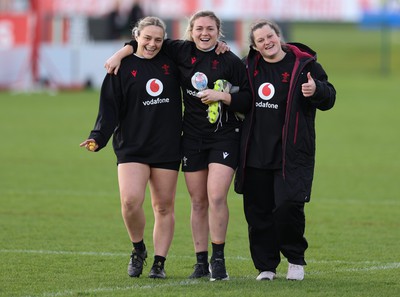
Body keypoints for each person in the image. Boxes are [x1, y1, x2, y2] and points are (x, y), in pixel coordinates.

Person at [105, 10, 252, 281]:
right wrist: (120, 54)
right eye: (199, 29)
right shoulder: (179, 51)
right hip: (192, 137)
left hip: (224, 135)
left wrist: (222, 96)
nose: (204, 34)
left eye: (210, 29)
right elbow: (144, 40)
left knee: (216, 196)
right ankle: (200, 263)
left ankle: (218, 260)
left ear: (218, 31)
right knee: (197, 201)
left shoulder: (229, 59)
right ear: (190, 31)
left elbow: (247, 100)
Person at [80, 16, 182, 279]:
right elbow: (109, 109)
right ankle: (138, 249)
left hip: (167, 145)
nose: (152, 44)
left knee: (163, 206)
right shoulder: (121, 67)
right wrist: (97, 137)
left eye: (158, 39)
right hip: (132, 145)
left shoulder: (172, 59)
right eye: (147, 38)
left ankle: (159, 263)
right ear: (136, 36)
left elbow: (198, 53)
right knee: (130, 201)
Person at [234, 20, 336, 281]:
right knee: (257, 212)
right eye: (260, 40)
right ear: (254, 47)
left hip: (291, 152)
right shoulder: (248, 66)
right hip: (255, 151)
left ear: (279, 36)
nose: (267, 42)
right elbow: (241, 97)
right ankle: (266, 266)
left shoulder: (304, 66)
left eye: (270, 36)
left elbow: (330, 97)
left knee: (289, 206)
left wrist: (317, 90)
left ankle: (295, 259)